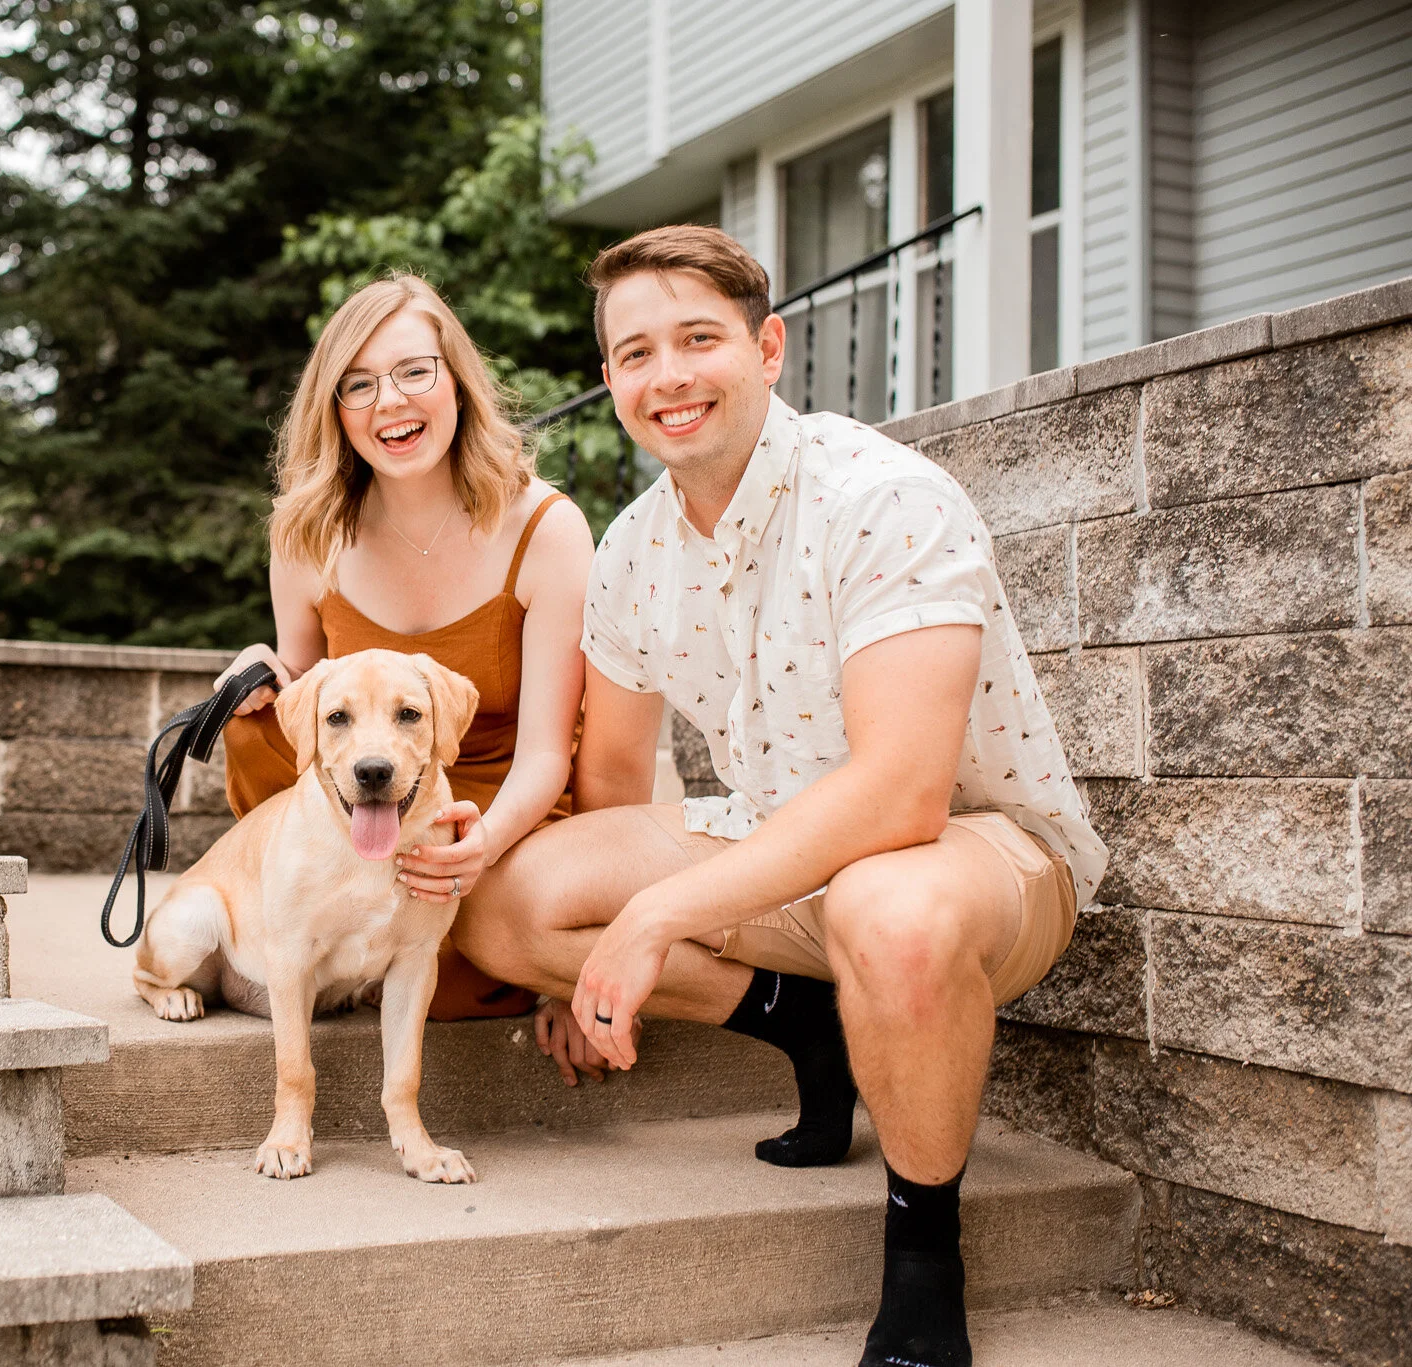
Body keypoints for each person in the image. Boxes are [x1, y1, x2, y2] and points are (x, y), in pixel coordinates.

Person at [451, 226, 1106, 1367]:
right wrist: (582, 953)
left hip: (974, 859)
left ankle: (921, 1259)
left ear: (766, 348)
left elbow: (901, 792)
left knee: (885, 906)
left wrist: (650, 919)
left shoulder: (882, 495)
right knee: (505, 900)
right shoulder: (631, 548)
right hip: (779, 843)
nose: (667, 377)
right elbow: (609, 785)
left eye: (696, 339)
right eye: (635, 352)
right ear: (609, 379)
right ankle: (804, 1022)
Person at [215, 272, 594, 1021]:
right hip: (364, 801)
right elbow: (306, 697)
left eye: (413, 371)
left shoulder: (546, 530)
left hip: (498, 805)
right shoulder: (305, 534)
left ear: (456, 379)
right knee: (252, 721)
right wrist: (260, 668)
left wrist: (477, 847)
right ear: (335, 409)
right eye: (358, 385)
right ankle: (311, 917)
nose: (389, 402)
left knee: (478, 940)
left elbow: (549, 754)